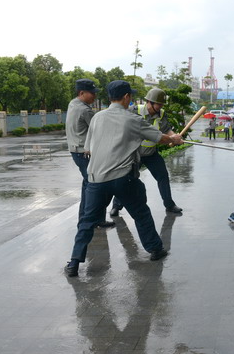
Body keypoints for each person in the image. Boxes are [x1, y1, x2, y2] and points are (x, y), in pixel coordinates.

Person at [64, 80, 183, 277]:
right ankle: (155, 249)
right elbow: (160, 137)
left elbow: (89, 147)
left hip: (96, 179)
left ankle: (74, 263)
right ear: (126, 97)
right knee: (141, 213)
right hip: (122, 178)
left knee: (87, 221)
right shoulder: (132, 119)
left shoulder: (97, 117)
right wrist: (174, 139)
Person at [109, 88, 183, 217]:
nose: (160, 107)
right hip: (134, 154)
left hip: (151, 154)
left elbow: (167, 129)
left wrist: (175, 137)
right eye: (158, 104)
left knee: (163, 176)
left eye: (162, 104)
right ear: (149, 102)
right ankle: (116, 206)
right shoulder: (133, 111)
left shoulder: (161, 114)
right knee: (126, 179)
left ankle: (169, 205)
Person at [65, 79, 115, 229]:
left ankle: (88, 219)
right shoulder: (85, 110)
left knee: (88, 185)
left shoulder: (73, 104)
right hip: (84, 153)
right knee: (95, 187)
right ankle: (90, 221)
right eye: (92, 93)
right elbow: (100, 129)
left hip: (76, 151)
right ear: (82, 93)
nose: (94, 96)